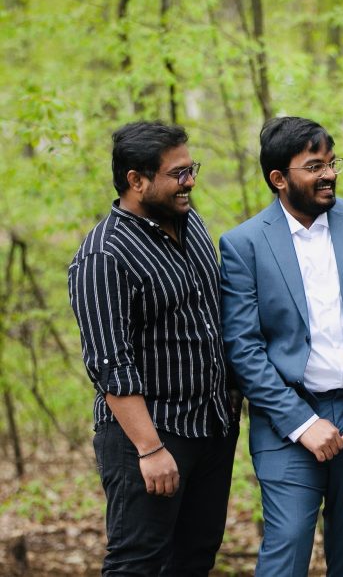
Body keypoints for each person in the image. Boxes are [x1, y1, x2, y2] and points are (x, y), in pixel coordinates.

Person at [219, 116, 343, 576]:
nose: (329, 173)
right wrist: (301, 422)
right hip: (286, 423)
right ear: (279, 179)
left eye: (332, 162)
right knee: (287, 548)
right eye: (314, 166)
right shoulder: (243, 245)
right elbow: (243, 348)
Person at [68, 121, 238, 575]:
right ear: (136, 180)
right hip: (151, 436)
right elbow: (109, 362)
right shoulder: (104, 256)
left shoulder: (189, 219)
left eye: (192, 168)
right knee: (137, 562)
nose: (191, 182)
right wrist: (149, 449)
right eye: (178, 173)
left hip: (211, 427)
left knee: (195, 557)